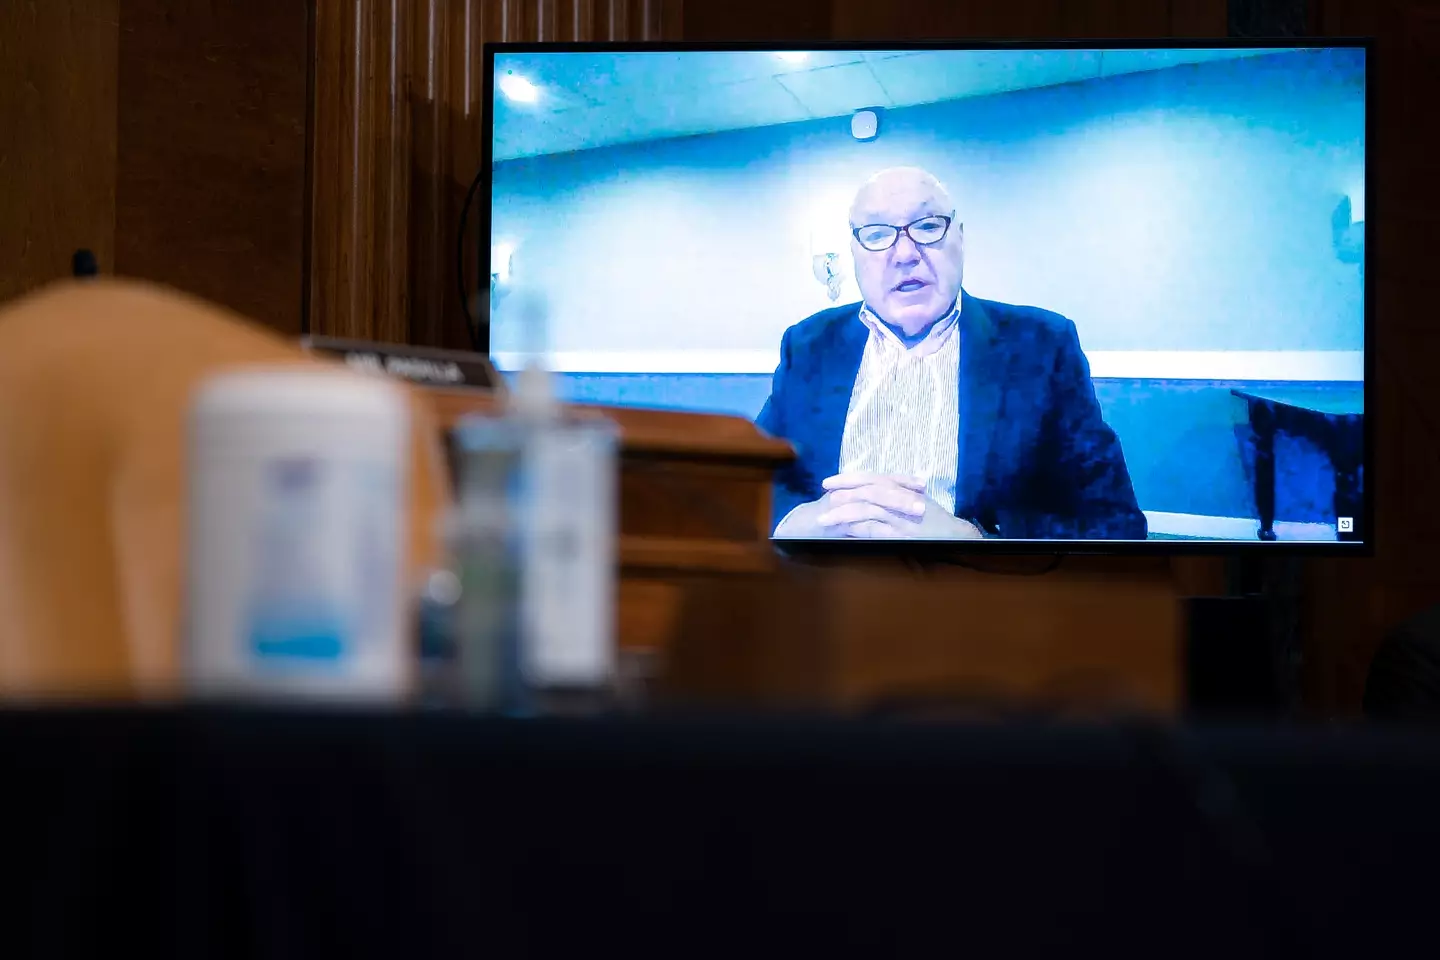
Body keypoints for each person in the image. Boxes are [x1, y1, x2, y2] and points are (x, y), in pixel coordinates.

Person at [757, 167, 1145, 541]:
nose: (905, 253)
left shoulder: (1043, 344)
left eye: (928, 227)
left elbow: (1115, 522)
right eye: (877, 234)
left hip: (975, 592)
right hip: (825, 589)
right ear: (855, 254)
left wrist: (974, 537)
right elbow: (749, 479)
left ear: (960, 237)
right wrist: (792, 519)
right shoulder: (808, 344)